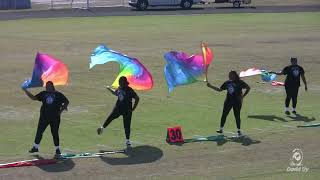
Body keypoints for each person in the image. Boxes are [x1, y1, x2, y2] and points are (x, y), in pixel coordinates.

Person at [22, 81, 69, 155]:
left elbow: (66, 101)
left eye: (48, 86)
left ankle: (57, 149)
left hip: (55, 118)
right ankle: (35, 147)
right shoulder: (43, 94)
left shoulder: (58, 94)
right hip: (44, 117)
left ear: (52, 86)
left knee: (55, 133)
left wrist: (61, 110)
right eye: (46, 86)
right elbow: (34, 98)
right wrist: (25, 90)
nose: (47, 87)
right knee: (39, 132)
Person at [97, 76, 140, 148]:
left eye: (120, 83)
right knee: (110, 117)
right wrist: (109, 88)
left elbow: (137, 98)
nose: (119, 84)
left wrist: (133, 108)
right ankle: (102, 128)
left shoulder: (129, 90)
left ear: (124, 83)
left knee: (127, 125)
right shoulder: (120, 88)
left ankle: (127, 140)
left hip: (127, 110)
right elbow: (115, 93)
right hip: (118, 108)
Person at [207, 71, 250, 136]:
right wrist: (210, 86)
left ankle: (239, 130)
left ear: (234, 75)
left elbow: (248, 88)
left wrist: (243, 96)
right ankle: (221, 129)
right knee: (224, 114)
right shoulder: (227, 82)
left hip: (237, 102)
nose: (229, 76)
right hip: (228, 101)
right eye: (229, 75)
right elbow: (219, 90)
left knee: (237, 115)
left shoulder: (240, 82)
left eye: (230, 75)